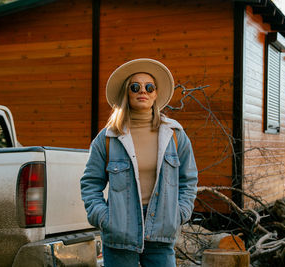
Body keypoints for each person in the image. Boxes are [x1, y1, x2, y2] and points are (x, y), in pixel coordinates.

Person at [80, 58, 198, 267]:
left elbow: (188, 180)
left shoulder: (175, 135)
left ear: (155, 94)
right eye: (135, 87)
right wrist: (104, 218)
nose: (142, 91)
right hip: (120, 233)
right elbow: (90, 184)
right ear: (127, 92)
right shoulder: (107, 138)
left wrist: (179, 213)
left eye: (149, 87)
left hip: (162, 230)